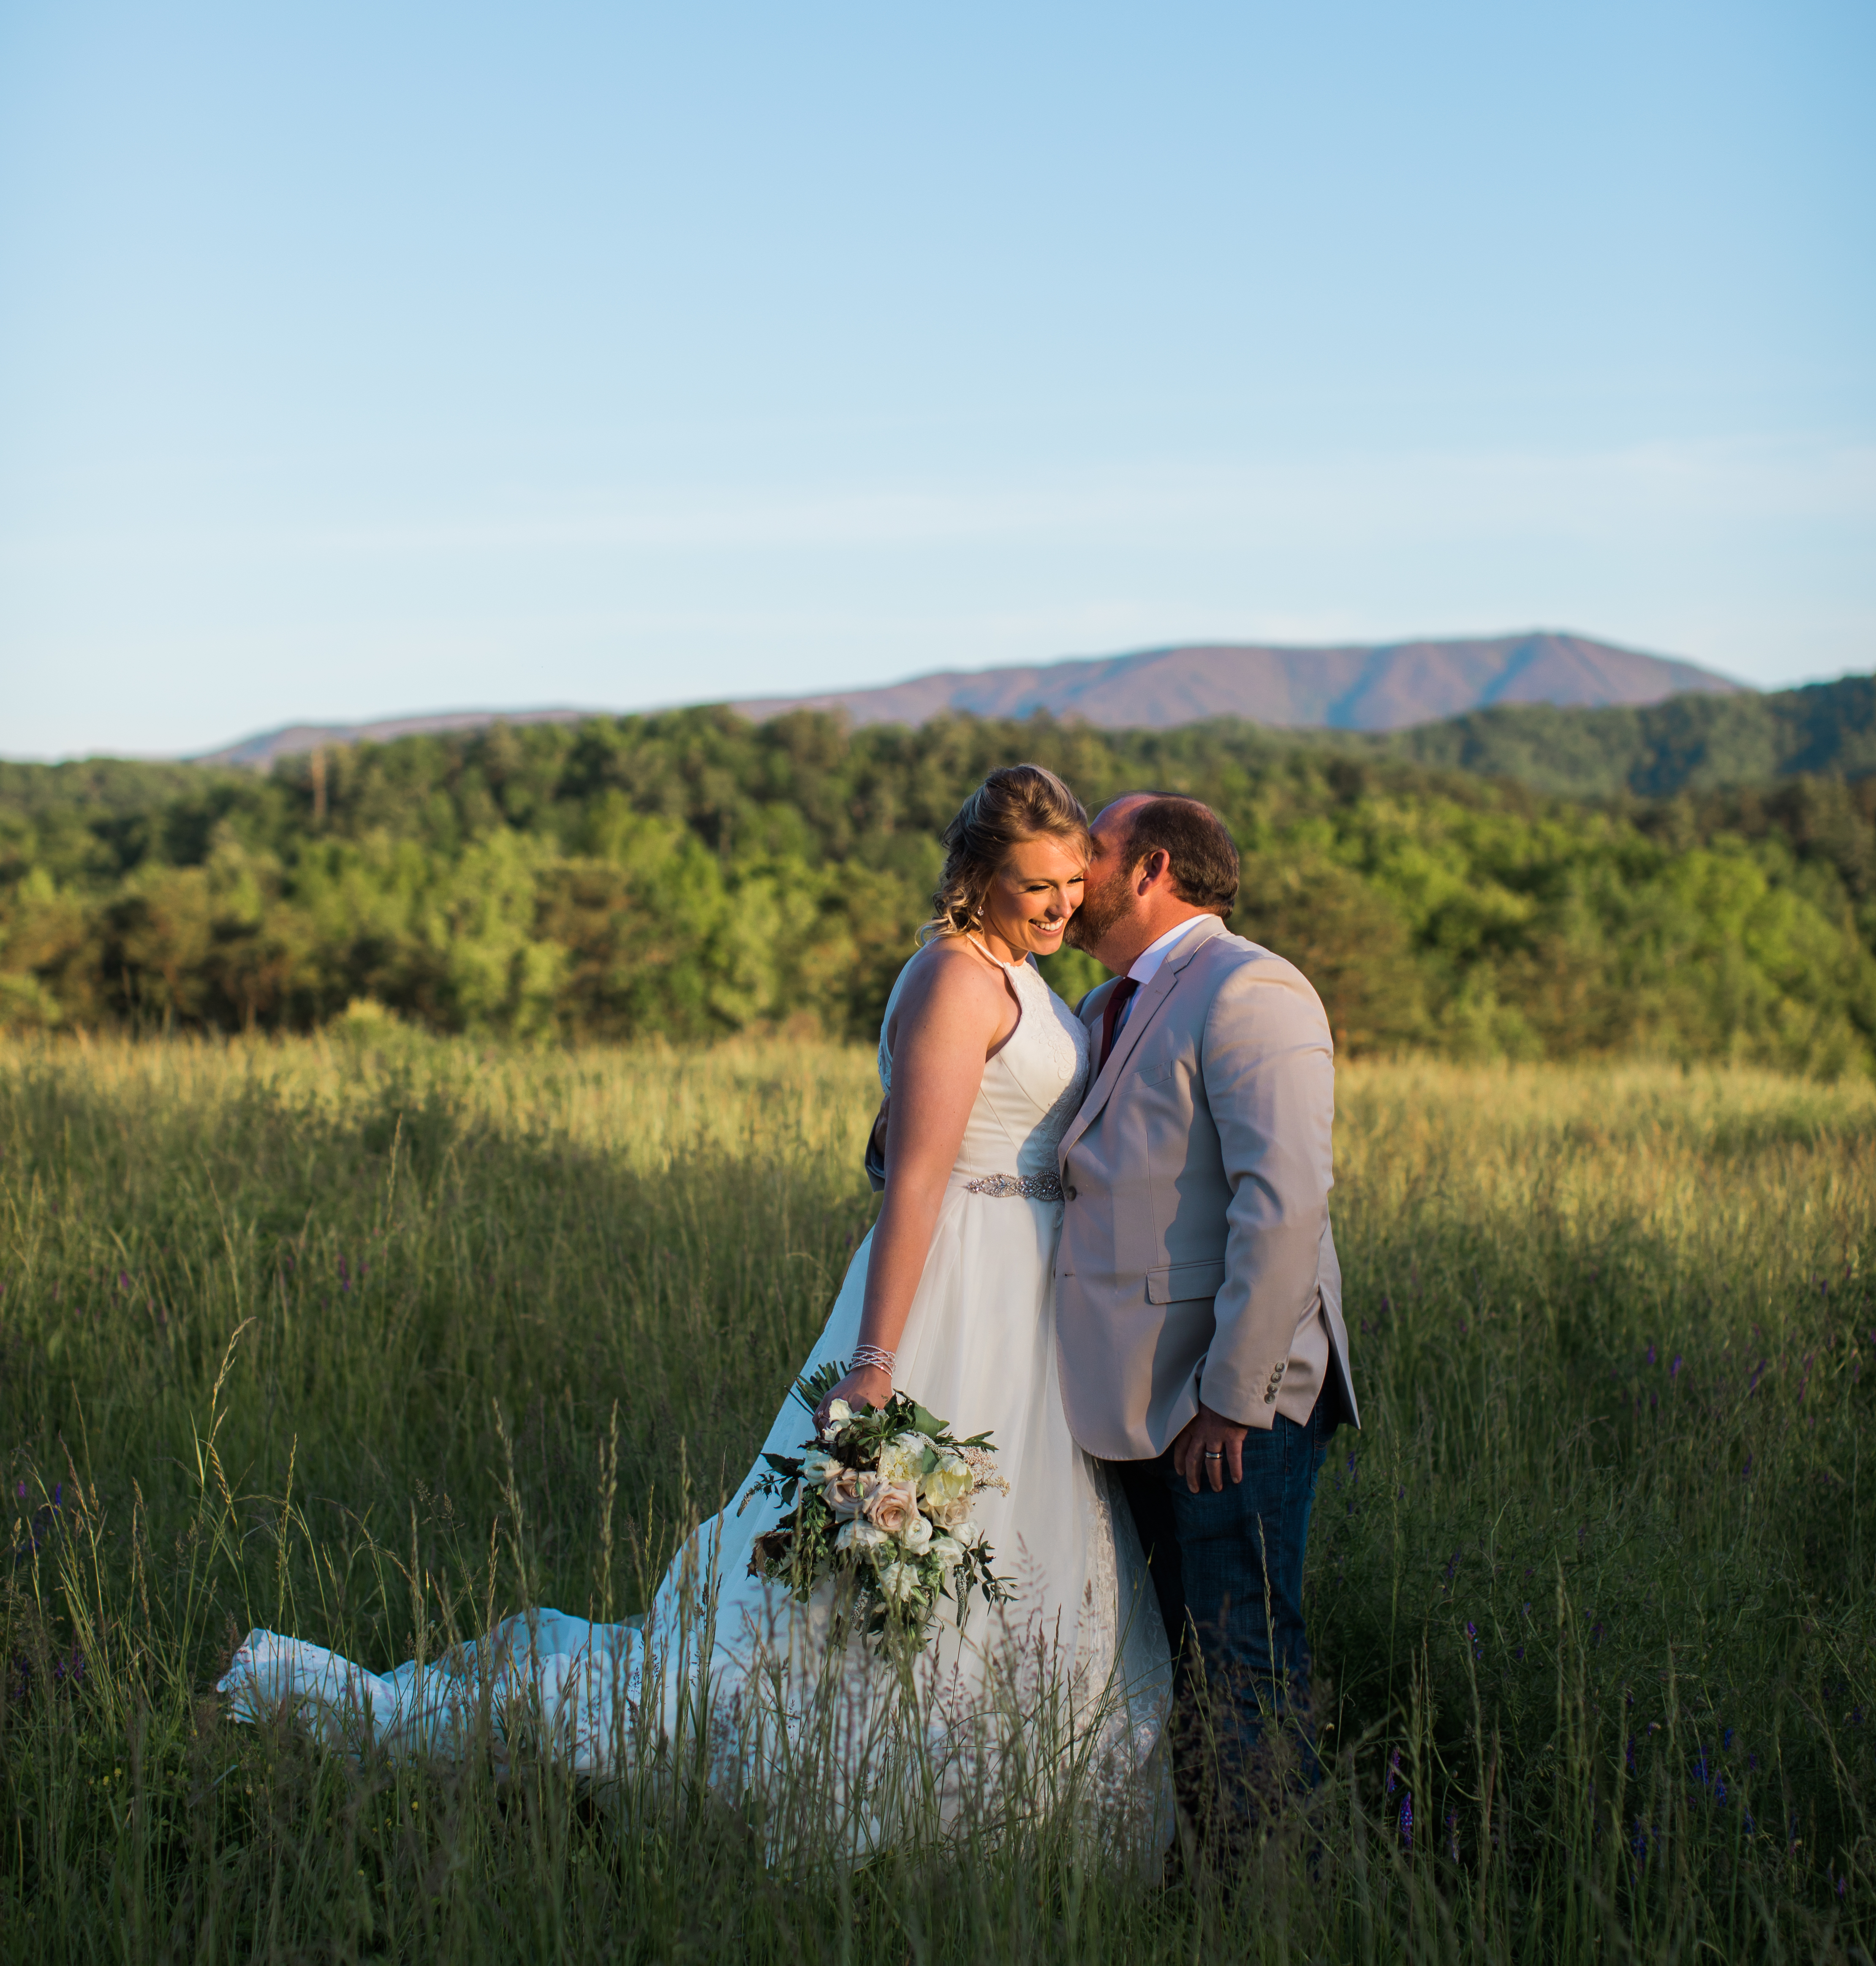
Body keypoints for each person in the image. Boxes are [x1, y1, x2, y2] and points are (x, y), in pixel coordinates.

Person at [220, 765, 1170, 1846]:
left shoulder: (1019, 972)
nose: (1059, 906)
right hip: (961, 1286)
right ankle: (866, 1773)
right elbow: (913, 1180)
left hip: (1029, 1299)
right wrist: (872, 1359)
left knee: (1013, 1546)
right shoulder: (955, 978)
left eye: (1068, 883)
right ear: (976, 876)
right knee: (884, 1571)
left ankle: (1005, 1780)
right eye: (1034, 885)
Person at [1054, 791, 1357, 1863]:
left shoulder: (1250, 987)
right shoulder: (1104, 1006)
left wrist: (1232, 1397)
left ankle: (1282, 1919)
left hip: (1229, 1403)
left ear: (1151, 869)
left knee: (1241, 1664)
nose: (1069, 867)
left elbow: (1281, 1205)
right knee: (1177, 1661)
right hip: (1134, 1399)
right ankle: (1203, 1889)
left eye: (1090, 848)